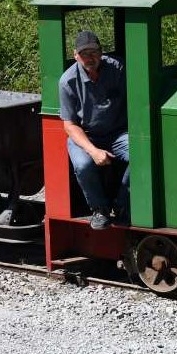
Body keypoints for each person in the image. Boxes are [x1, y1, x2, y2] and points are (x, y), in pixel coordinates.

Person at [58, 29, 130, 230]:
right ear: (75, 55)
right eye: (84, 54)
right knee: (83, 165)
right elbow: (70, 125)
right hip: (85, 136)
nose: (90, 58)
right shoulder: (67, 82)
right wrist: (93, 151)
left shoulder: (118, 69)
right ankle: (100, 210)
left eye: (94, 52)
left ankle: (122, 204)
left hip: (118, 133)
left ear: (101, 52)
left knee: (141, 154)